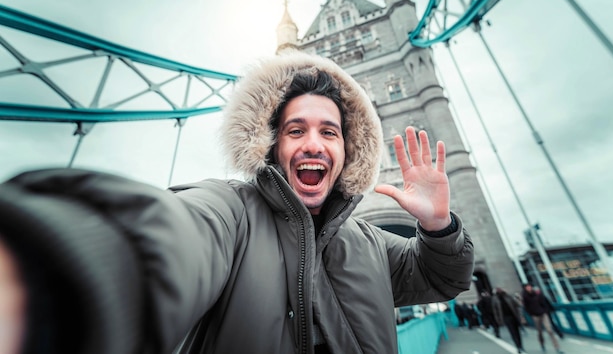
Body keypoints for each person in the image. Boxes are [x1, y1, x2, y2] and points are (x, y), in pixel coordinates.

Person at [0, 51, 474, 354]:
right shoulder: (230, 212)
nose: (313, 144)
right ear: (272, 147)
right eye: (295, 130)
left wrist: (438, 227)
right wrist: (54, 272)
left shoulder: (371, 241)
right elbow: (174, 237)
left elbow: (442, 277)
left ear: (347, 152)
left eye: (329, 132)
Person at [522, 284, 564, 353]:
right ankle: (542, 344)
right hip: (535, 315)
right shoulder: (525, 297)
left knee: (549, 330)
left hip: (543, 314)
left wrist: (545, 310)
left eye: (530, 286)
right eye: (527, 287)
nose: (529, 288)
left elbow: (544, 302)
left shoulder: (538, 294)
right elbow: (526, 307)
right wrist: (531, 314)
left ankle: (557, 348)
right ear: (525, 289)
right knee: (540, 332)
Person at [492, 287, 525, 353]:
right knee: (513, 332)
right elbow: (495, 311)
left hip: (514, 316)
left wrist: (520, 315)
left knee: (517, 332)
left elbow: (516, 305)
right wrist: (498, 320)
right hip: (506, 317)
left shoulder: (508, 296)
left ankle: (520, 345)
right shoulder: (495, 299)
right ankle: (518, 346)